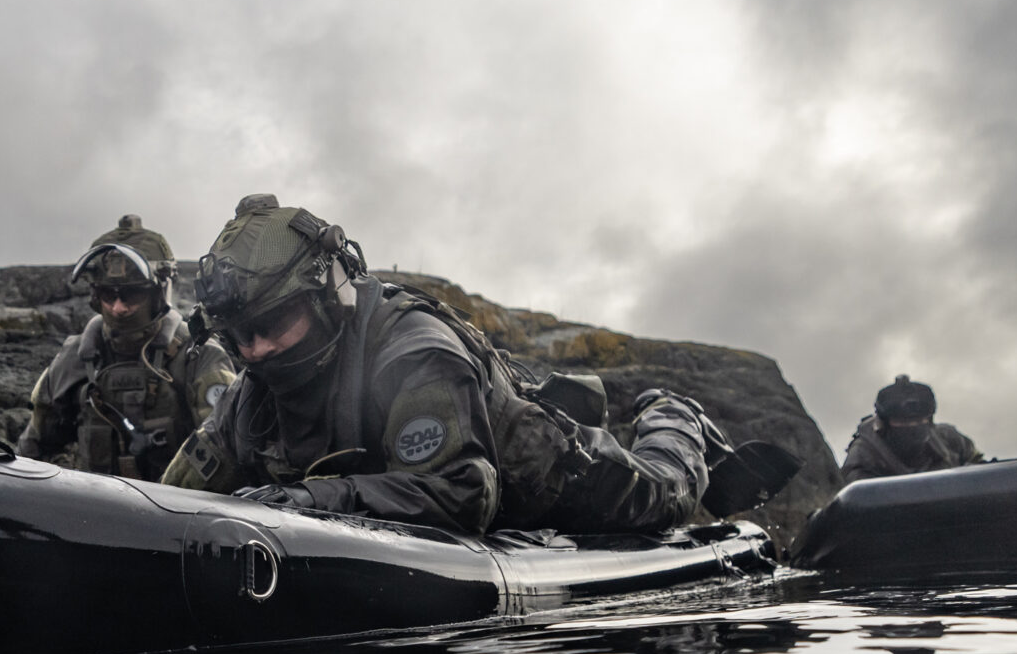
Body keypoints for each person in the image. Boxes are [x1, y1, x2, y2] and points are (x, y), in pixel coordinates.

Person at [158, 194, 720, 536]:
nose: (255, 351)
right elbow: (169, 500)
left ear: (326, 300)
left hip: (555, 480)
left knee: (669, 489)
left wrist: (308, 501)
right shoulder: (250, 393)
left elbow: (461, 493)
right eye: (239, 335)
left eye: (274, 323)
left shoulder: (413, 350)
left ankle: (675, 416)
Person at [14, 215, 238, 478]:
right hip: (93, 501)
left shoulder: (199, 355)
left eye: (131, 294)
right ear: (95, 295)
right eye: (108, 294)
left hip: (177, 503)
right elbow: (32, 451)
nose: (118, 308)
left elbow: (229, 451)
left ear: (158, 293)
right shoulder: (75, 357)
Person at [840, 375, 981, 484]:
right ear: (883, 425)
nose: (912, 426)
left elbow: (980, 472)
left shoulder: (950, 440)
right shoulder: (863, 456)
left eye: (920, 420)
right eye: (902, 422)